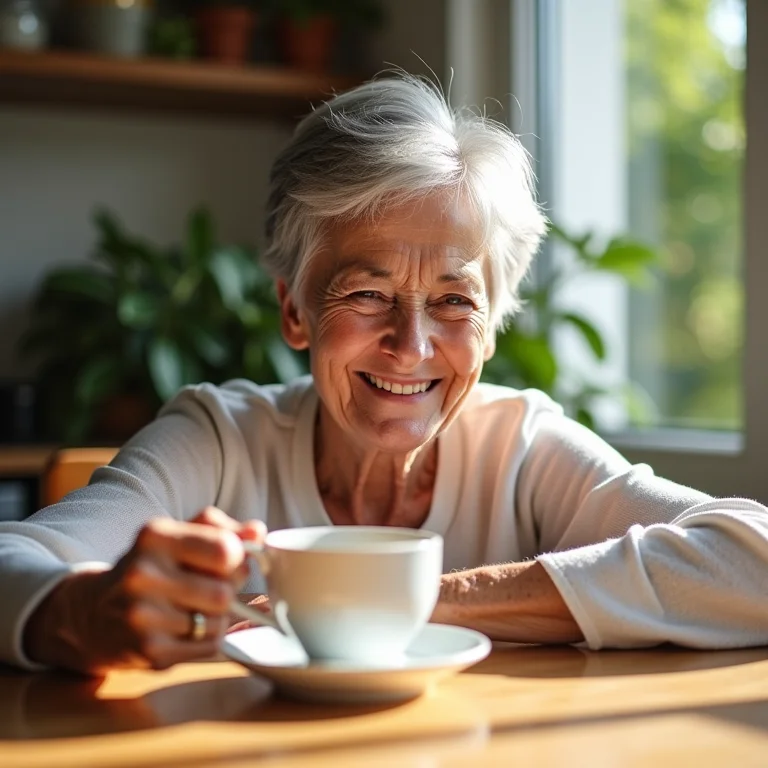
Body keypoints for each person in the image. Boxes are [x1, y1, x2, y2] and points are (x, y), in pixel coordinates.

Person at [2, 74, 767, 675]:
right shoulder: (221, 440)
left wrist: (411, 601)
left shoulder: (522, 448)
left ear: (492, 326)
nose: (412, 344)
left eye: (454, 301)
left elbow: (753, 556)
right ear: (295, 311)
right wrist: (83, 609)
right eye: (367, 294)